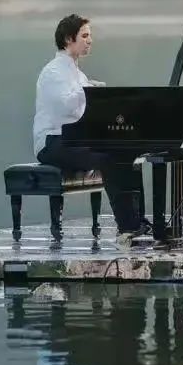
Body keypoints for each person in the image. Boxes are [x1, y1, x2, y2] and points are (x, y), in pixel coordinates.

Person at [33, 14, 147, 243]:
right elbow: (65, 107)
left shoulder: (78, 74)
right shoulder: (53, 72)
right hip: (52, 143)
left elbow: (86, 113)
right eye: (84, 36)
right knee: (107, 159)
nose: (90, 40)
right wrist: (89, 91)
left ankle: (138, 221)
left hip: (73, 139)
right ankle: (127, 225)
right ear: (68, 39)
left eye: (90, 36)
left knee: (128, 153)